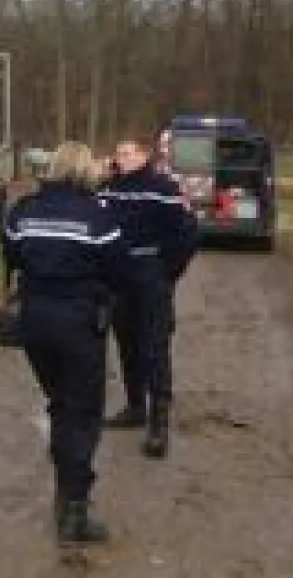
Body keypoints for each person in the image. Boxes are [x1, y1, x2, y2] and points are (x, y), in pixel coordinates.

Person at [3, 141, 129, 545]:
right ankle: (74, 510)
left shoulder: (24, 210)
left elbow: (13, 254)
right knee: (82, 412)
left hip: (34, 321)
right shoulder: (97, 216)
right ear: (84, 170)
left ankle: (66, 489)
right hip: (78, 322)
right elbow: (119, 269)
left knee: (60, 402)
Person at [98, 134, 199, 459]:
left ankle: (159, 423)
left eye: (127, 152)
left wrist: (167, 271)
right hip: (118, 279)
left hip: (151, 276)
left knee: (154, 346)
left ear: (144, 155)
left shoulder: (164, 189)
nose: (121, 158)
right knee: (126, 343)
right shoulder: (108, 189)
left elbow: (186, 234)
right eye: (118, 153)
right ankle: (135, 407)